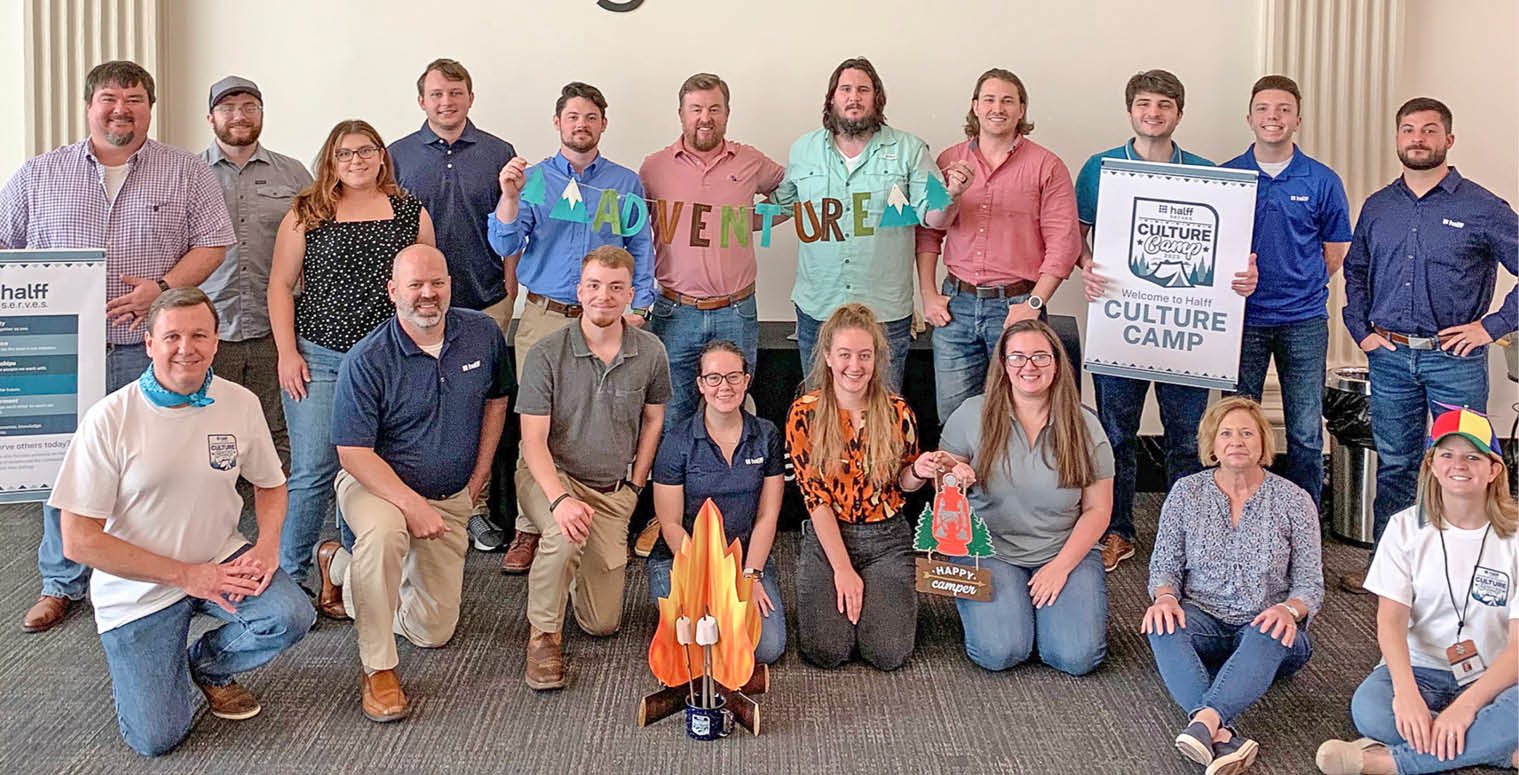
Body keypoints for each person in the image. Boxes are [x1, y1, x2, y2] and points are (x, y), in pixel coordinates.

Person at [0, 60, 235, 633]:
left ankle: (153, 573)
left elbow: (215, 244)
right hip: (61, 357)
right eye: (110, 98)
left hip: (149, 350)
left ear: (149, 108)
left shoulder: (185, 171)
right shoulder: (40, 173)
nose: (121, 109)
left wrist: (162, 288)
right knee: (66, 469)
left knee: (154, 464)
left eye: (134, 99)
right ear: (89, 106)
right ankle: (61, 582)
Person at [52, 289, 313, 756]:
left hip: (218, 558)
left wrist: (268, 544)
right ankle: (156, 662)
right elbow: (79, 541)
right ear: (149, 343)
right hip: (137, 587)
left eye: (199, 335)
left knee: (290, 614)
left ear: (216, 343)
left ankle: (207, 664)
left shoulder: (239, 402)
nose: (185, 347)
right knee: (157, 739)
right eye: (171, 336)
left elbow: (271, 484)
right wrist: (189, 577)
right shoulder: (109, 419)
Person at [312, 245, 510, 722]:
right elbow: (353, 453)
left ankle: (339, 568)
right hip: (374, 484)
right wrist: (411, 506)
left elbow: (497, 402)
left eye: (436, 283)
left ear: (449, 285)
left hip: (450, 496)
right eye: (415, 285)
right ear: (393, 291)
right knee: (384, 535)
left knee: (432, 630)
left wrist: (477, 480)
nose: (427, 295)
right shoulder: (368, 359)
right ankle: (378, 668)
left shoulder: (482, 334)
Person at [1074, 69, 1259, 573]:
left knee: (1187, 438)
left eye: (1163, 105)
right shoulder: (1099, 168)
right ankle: (1118, 531)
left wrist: (1244, 276)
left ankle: (1186, 535)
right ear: (1130, 109)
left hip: (1188, 332)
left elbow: (1228, 251)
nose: (1153, 113)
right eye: (1144, 104)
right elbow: (1078, 238)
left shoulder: (1207, 173)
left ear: (1179, 112)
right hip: (1123, 325)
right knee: (1116, 435)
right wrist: (1086, 267)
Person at [1340, 97, 1517, 594]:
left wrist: (1492, 325)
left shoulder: (1482, 207)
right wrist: (1361, 330)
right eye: (1409, 130)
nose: (1418, 138)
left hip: (1453, 362)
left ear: (1448, 140)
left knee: (1461, 465)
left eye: (1429, 130)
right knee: (1396, 464)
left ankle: (1457, 577)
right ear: (1397, 139)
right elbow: (1356, 273)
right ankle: (1389, 571)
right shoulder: (1379, 206)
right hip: (1391, 359)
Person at [489, 82, 655, 575]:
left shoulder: (624, 183)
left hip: (607, 319)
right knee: (536, 424)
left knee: (595, 421)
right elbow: (504, 242)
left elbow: (641, 245)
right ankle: (528, 526)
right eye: (572, 117)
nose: (581, 125)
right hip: (544, 317)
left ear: (603, 124)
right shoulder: (533, 180)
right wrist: (509, 196)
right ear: (558, 123)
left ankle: (599, 517)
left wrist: (639, 306)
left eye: (590, 117)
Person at [268, 120, 436, 588]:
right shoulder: (308, 211)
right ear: (331, 160)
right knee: (312, 471)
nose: (356, 160)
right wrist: (287, 352)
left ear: (382, 155)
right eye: (345, 153)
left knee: (371, 469)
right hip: (319, 358)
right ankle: (292, 576)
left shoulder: (409, 212)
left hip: (388, 364)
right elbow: (281, 285)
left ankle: (353, 574)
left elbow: (425, 288)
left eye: (365, 151)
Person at [1316, 408, 1518, 775]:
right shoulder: (1404, 527)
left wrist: (1467, 706)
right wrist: (1407, 695)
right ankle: (1499, 749)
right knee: (1372, 710)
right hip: (1420, 668)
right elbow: (1390, 621)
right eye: (1447, 454)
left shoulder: (1516, 537)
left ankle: (1391, 763)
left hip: (1494, 675)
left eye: (1473, 456)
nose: (1460, 465)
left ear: (1493, 469)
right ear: (1432, 465)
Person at [633, 71, 785, 557]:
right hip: (674, 310)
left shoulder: (750, 161)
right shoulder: (653, 167)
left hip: (736, 310)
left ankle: (737, 521)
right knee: (674, 419)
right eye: (696, 108)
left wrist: (757, 220)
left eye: (714, 108)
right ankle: (667, 520)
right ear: (681, 114)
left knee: (732, 411)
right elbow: (636, 231)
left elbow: (793, 193)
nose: (705, 117)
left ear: (726, 112)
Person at [1142, 396, 1323, 775]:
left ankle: (1205, 723)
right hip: (1203, 621)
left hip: (1270, 634)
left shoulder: (1294, 500)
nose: (1236, 441)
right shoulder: (1186, 493)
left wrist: (1288, 609)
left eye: (1246, 433)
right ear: (1211, 445)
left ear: (1262, 444)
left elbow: (1310, 585)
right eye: (1226, 433)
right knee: (1162, 623)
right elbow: (1164, 566)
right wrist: (1165, 597)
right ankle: (1220, 732)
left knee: (1269, 628)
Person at [517, 246, 670, 690]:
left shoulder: (651, 351)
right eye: (596, 286)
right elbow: (532, 441)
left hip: (611, 491)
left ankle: (568, 572)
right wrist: (560, 499)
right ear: (579, 290)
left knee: (602, 623)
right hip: (551, 478)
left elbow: (655, 418)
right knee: (563, 535)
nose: (605, 296)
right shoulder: (546, 353)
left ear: (630, 294)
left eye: (616, 287)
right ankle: (543, 634)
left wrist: (635, 486)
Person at [931, 320, 1114, 675]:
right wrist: (954, 478)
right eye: (1017, 357)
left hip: (1063, 549)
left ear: (1057, 364)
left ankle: (1036, 614)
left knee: (1077, 658)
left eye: (1039, 357)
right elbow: (944, 491)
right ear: (1003, 363)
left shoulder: (1085, 424)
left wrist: (1059, 569)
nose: (1028, 366)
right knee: (999, 652)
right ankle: (1016, 615)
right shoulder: (971, 414)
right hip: (989, 549)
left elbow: (1098, 509)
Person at [772, 57, 964, 391]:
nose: (854, 97)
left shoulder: (909, 150)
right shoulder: (804, 149)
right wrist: (726, 212)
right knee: (818, 413)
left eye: (863, 89)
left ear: (877, 98)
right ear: (832, 98)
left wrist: (953, 195)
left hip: (885, 313)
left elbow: (933, 217)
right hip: (818, 308)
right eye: (845, 89)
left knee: (883, 416)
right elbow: (783, 206)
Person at [387, 58, 518, 551]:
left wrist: (509, 287)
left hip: (485, 301)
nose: (447, 102)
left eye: (456, 92)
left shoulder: (498, 151)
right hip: (419, 306)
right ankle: (416, 504)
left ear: (470, 97)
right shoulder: (396, 155)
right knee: (421, 406)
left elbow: (511, 223)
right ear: (422, 101)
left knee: (481, 405)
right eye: (437, 94)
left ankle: (476, 507)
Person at [916, 69, 1081, 423]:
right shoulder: (947, 161)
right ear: (975, 107)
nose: (998, 108)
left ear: (1022, 109)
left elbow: (1063, 242)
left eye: (1008, 100)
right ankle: (962, 481)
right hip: (955, 308)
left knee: (1021, 416)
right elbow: (928, 232)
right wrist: (928, 294)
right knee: (956, 420)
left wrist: (1034, 303)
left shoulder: (1047, 166)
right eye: (989, 99)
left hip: (1018, 306)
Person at [1220, 75, 1351, 508]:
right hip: (1241, 321)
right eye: (1263, 109)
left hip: (1304, 321)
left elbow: (1335, 252)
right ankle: (1235, 513)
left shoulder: (1322, 180)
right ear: (1249, 117)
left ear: (1297, 119)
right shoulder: (1226, 177)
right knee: (1234, 426)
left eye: (1282, 110)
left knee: (1305, 430)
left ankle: (1304, 521)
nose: (1272, 117)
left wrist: (1299, 282)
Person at [786, 303, 928, 671]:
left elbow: (904, 484)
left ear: (877, 358)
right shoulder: (805, 413)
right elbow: (815, 500)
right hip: (829, 536)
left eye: (865, 355)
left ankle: (884, 599)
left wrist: (921, 472)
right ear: (829, 358)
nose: (855, 365)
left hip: (886, 537)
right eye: (845, 355)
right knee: (827, 652)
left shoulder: (897, 411)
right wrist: (843, 569)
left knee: (888, 654)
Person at [200, 75, 313, 475]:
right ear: (211, 116)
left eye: (249, 107)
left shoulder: (294, 175)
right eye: (228, 108)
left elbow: (317, 245)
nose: (239, 116)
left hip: (276, 329)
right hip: (211, 327)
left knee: (279, 425)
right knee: (212, 428)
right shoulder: (189, 174)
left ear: (262, 114)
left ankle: (276, 518)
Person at [647, 339, 786, 664]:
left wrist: (749, 576)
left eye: (733, 376)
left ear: (746, 380)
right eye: (713, 378)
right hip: (684, 559)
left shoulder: (766, 435)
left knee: (764, 648)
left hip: (746, 560)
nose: (724, 386)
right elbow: (669, 523)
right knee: (699, 645)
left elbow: (768, 515)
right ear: (700, 384)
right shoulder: (677, 440)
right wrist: (712, 580)